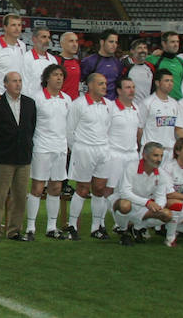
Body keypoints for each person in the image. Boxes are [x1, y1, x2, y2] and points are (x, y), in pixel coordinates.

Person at [0, 71, 36, 242]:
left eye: (20, 80)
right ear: (5, 84)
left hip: (23, 156)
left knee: (20, 196)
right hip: (4, 156)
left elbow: (31, 127)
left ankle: (14, 231)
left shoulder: (29, 103)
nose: (18, 84)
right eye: (14, 81)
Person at [66, 72, 115, 240]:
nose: (104, 87)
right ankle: (72, 225)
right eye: (101, 84)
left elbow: (109, 128)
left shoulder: (109, 104)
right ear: (91, 85)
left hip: (103, 150)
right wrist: (77, 149)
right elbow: (69, 130)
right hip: (84, 149)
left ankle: (96, 227)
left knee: (100, 188)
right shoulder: (78, 104)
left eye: (105, 83)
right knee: (82, 188)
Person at [25, 63, 71, 239]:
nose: (59, 78)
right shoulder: (37, 99)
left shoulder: (66, 99)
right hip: (42, 147)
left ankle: (51, 227)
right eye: (55, 75)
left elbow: (69, 125)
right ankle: (30, 227)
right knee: (37, 187)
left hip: (60, 149)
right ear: (46, 78)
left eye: (61, 75)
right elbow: (30, 124)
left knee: (56, 187)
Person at [109, 142, 171, 246]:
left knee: (167, 215)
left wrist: (158, 207)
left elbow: (161, 196)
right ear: (145, 156)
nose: (159, 159)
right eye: (155, 155)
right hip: (123, 202)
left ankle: (137, 227)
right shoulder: (131, 167)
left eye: (161, 156)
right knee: (125, 205)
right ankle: (123, 231)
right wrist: (147, 203)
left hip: (144, 207)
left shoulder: (162, 174)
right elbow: (125, 193)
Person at [102, 78, 143, 235]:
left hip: (132, 155)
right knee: (110, 189)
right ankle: (103, 223)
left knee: (129, 190)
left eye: (133, 87)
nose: (131, 90)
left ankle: (126, 223)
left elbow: (138, 132)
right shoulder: (111, 108)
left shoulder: (136, 108)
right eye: (127, 87)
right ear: (119, 91)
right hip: (114, 154)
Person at [139, 68, 180, 151]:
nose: (170, 84)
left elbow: (177, 129)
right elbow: (140, 129)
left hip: (169, 150)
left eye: (171, 81)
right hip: (151, 150)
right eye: (166, 81)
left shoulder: (175, 103)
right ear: (157, 83)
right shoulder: (147, 103)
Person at [80, 30, 121, 101]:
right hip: (94, 104)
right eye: (111, 42)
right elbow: (81, 83)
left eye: (116, 42)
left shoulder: (117, 63)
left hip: (112, 105)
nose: (114, 45)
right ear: (102, 42)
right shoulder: (89, 61)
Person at [145, 31, 183, 100]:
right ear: (164, 44)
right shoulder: (153, 59)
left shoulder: (181, 61)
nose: (176, 45)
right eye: (172, 42)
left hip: (178, 101)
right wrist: (152, 55)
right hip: (160, 101)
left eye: (177, 42)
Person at [21, 27, 57, 100]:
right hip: (31, 102)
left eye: (48, 37)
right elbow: (23, 85)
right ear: (34, 39)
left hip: (49, 102)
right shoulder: (25, 58)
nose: (47, 40)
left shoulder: (53, 60)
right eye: (44, 37)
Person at [57, 32, 81, 99]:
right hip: (60, 102)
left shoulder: (78, 62)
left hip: (74, 104)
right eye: (71, 41)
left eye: (76, 41)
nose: (75, 44)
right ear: (62, 44)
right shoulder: (55, 61)